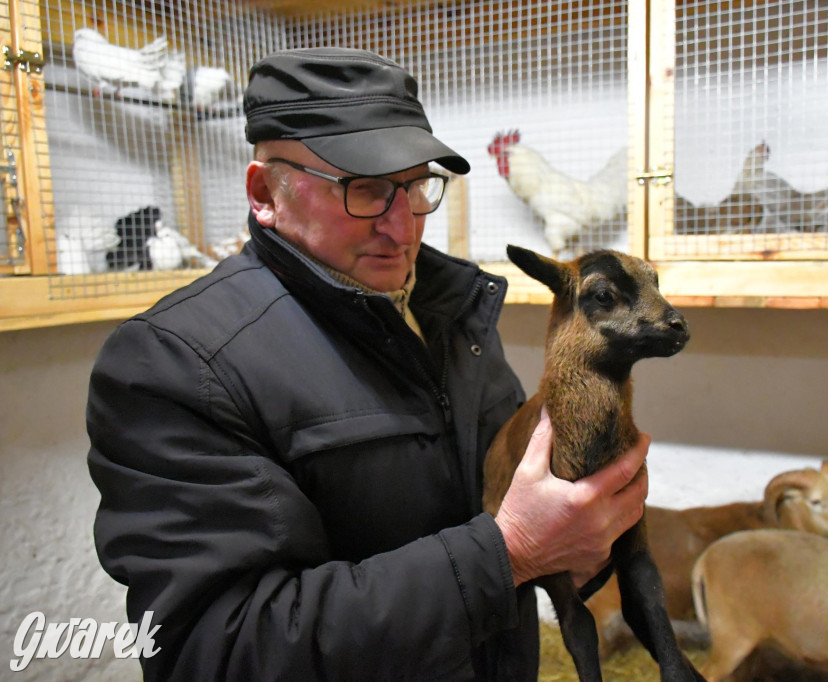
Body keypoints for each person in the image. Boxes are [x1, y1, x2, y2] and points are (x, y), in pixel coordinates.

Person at [86, 47, 651, 681]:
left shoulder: (452, 310)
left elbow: (517, 505)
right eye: (365, 189)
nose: (402, 225)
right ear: (263, 191)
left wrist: (584, 536)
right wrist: (507, 555)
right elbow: (213, 655)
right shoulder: (172, 365)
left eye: (415, 186)